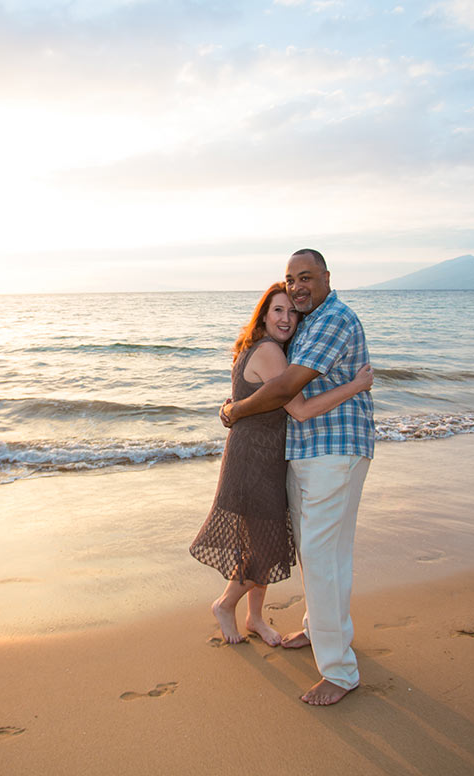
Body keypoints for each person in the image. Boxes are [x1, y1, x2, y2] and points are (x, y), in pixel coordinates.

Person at [220, 249, 375, 707]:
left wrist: (233, 411)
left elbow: (286, 390)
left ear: (327, 277)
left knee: (322, 557)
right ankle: (323, 631)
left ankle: (340, 672)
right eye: (290, 280)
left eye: (305, 277)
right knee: (326, 556)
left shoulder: (332, 320)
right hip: (313, 453)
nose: (297, 287)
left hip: (333, 451)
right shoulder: (307, 321)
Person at [191, 283, 373, 650]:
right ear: (264, 315)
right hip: (256, 459)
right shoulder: (271, 352)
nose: (287, 318)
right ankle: (225, 605)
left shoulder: (257, 348)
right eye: (278, 310)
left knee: (261, 539)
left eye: (292, 312)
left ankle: (255, 618)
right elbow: (302, 410)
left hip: (262, 454)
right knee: (264, 547)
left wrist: (232, 409)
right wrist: (356, 385)